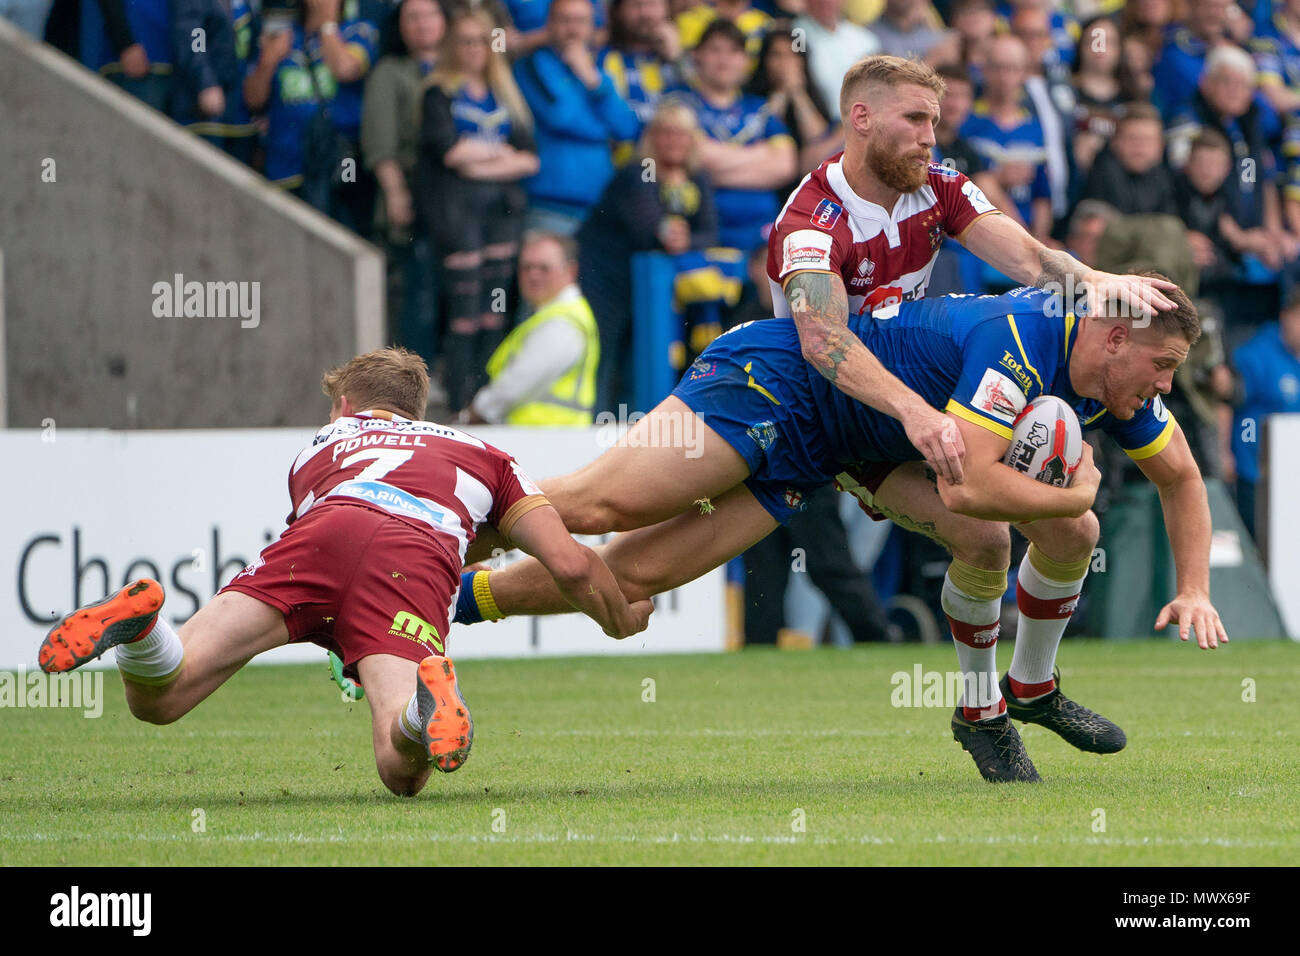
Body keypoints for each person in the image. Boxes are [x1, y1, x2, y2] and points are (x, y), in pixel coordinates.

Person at [452, 281, 1228, 783]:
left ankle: (447, 603)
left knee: (630, 583)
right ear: (1116, 338)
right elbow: (971, 483)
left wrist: (1193, 587)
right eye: (1162, 366)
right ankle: (424, 520)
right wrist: (1077, 493)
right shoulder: (1020, 340)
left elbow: (1183, 479)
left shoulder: (1117, 386)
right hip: (785, 379)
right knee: (596, 509)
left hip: (851, 447)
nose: (1166, 387)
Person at [37, 348, 652, 797]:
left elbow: (347, 550)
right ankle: (422, 702)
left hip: (320, 536)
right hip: (412, 562)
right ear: (418, 408)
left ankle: (145, 629)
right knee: (399, 768)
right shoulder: (488, 455)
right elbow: (571, 563)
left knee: (164, 696)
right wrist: (619, 617)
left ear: (343, 405)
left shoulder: (321, 445)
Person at [763, 54, 1176, 492]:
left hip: (899, 392)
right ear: (862, 118)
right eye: (915, 119)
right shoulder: (812, 217)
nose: (930, 138)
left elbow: (1031, 261)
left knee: (992, 538)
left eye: (934, 122)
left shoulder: (941, 187)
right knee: (819, 553)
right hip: (814, 399)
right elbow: (824, 341)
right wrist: (914, 411)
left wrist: (1095, 281)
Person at [417, 2, 539, 409]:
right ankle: (459, 400)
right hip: (458, 213)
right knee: (465, 311)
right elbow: (450, 152)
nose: (473, 49)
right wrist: (502, 157)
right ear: (452, 45)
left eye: (482, 42)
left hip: (502, 211)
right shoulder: (439, 91)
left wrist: (481, 162)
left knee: (494, 310)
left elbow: (530, 157)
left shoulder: (506, 94)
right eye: (465, 41)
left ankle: (486, 401)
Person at [577, 99, 719, 411]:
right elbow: (649, 229)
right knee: (605, 352)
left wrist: (686, 238)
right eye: (666, 132)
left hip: (651, 287)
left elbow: (710, 231)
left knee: (642, 355)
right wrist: (674, 236)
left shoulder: (697, 177)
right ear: (652, 137)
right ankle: (593, 423)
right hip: (606, 278)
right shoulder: (638, 172)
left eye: (682, 133)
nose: (674, 141)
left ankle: (635, 426)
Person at [243, 0, 380, 229]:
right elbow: (253, 100)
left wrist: (326, 25)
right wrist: (268, 60)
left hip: (339, 168)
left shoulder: (359, 31)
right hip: (286, 166)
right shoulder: (285, 37)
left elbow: (345, 68)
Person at [362, 0, 446, 368]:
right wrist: (395, 192)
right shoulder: (389, 71)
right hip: (412, 198)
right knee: (417, 294)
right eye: (412, 17)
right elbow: (380, 141)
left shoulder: (459, 66)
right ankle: (412, 380)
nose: (422, 24)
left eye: (430, 14)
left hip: (459, 206)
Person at [513, 0, 642, 235]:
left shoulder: (596, 72)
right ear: (549, 25)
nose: (573, 29)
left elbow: (627, 128)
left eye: (581, 21)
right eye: (565, 20)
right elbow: (560, 116)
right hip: (549, 206)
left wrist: (592, 81)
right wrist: (604, 128)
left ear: (593, 27)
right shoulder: (531, 65)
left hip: (600, 207)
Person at [672, 19, 797, 252]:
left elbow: (785, 165)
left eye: (733, 52)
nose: (724, 60)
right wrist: (760, 154)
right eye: (715, 50)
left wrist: (718, 168)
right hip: (706, 233)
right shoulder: (680, 102)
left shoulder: (760, 109)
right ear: (697, 56)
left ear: (745, 60)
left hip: (764, 235)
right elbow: (696, 158)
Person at [460, 232, 600, 425]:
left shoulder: (562, 322)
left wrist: (470, 416)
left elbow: (515, 385)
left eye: (544, 268)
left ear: (570, 271)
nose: (533, 275)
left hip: (544, 442)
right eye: (526, 267)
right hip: (544, 440)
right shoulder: (554, 315)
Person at [959, 34, 1054, 240]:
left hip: (1029, 233)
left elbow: (1042, 196)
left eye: (1011, 68)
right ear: (984, 70)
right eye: (997, 67)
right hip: (980, 232)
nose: (1004, 76)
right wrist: (998, 178)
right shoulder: (966, 122)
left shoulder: (1035, 127)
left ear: (1023, 73)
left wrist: (1040, 241)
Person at [1231, 287, 1300, 537]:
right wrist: (1223, 453)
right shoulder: (1256, 353)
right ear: (1286, 315)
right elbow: (1228, 401)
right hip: (1257, 472)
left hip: (1295, 474)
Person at [745, 21, 843, 197]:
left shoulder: (815, 97)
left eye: (793, 56)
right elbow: (759, 134)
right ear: (765, 60)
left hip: (807, 187)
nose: (786, 63)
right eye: (777, 55)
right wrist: (781, 93)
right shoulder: (751, 98)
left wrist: (797, 93)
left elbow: (818, 141)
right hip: (766, 183)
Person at [171, 0, 259, 164]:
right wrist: (206, 83)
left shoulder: (247, 4)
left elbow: (255, 47)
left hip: (241, 117)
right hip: (205, 114)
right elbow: (194, 38)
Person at [1080, 102, 1179, 216]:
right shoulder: (1102, 174)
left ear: (1160, 146)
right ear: (1115, 142)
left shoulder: (1166, 179)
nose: (1139, 146)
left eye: (1147, 140)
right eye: (1132, 138)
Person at [793, 0, 881, 121]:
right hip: (818, 121)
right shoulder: (796, 33)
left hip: (861, 119)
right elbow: (793, 72)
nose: (826, 2)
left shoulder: (865, 39)